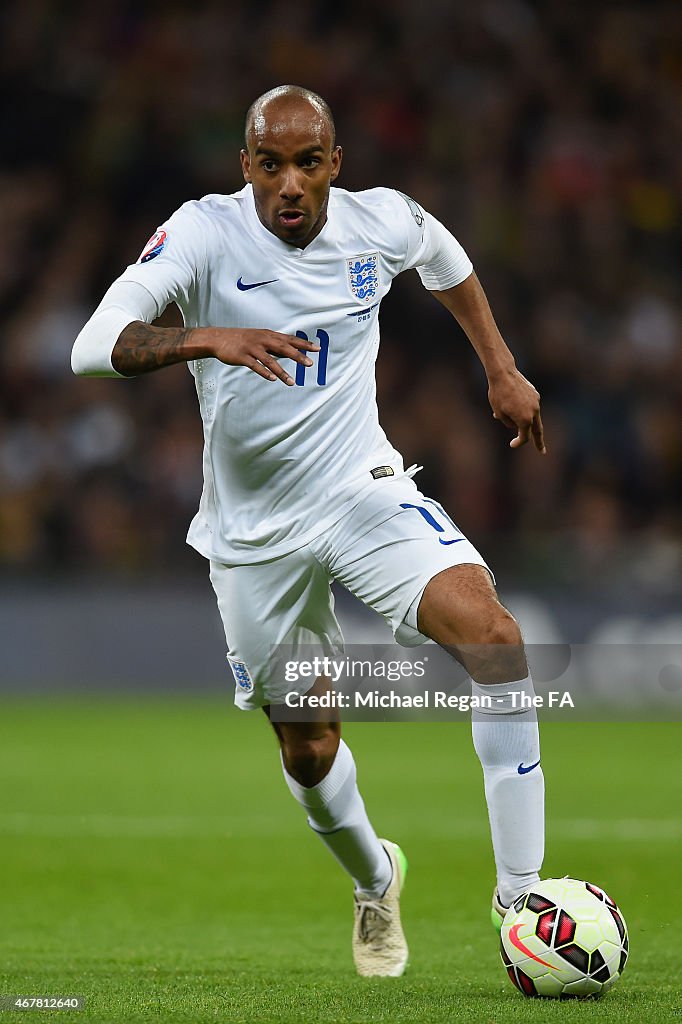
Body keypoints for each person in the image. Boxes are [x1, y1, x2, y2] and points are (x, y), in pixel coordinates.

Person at [71, 85, 546, 978]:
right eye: (271, 164)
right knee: (309, 742)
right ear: (244, 166)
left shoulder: (379, 223)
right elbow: (91, 346)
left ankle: (521, 902)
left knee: (497, 640)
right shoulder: (205, 232)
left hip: (359, 489)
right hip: (253, 536)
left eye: (309, 162)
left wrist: (502, 367)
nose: (290, 183)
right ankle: (376, 879)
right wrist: (201, 338)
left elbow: (444, 255)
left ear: (337, 164)